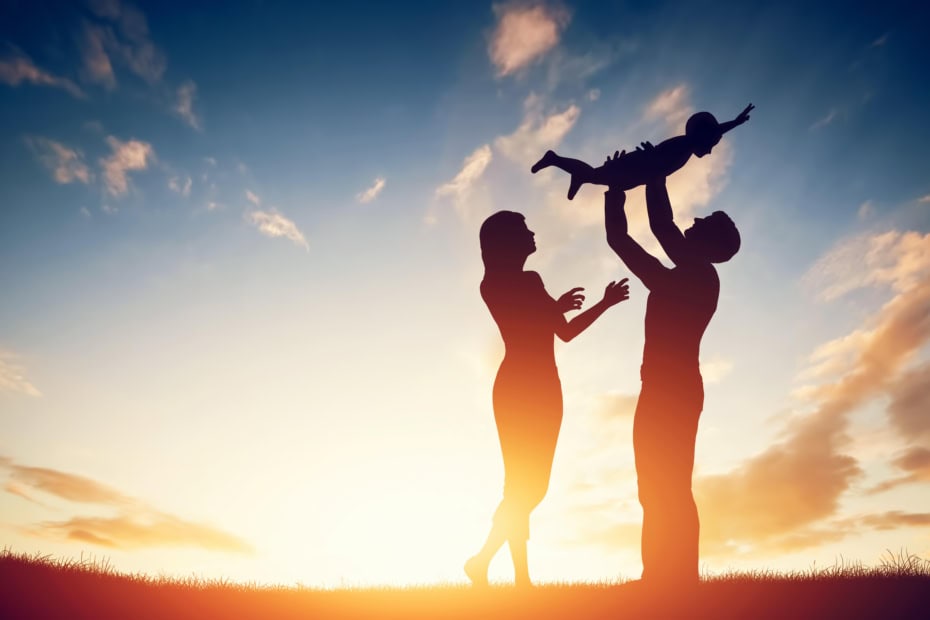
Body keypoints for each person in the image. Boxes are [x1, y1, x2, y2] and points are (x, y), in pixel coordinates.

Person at [465, 210, 630, 587]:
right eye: (524, 229)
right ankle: (513, 576)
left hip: (546, 388)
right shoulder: (492, 284)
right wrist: (556, 307)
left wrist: (604, 302)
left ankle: (486, 564)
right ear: (505, 241)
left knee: (531, 487)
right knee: (522, 486)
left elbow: (565, 332)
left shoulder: (532, 281)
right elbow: (529, 324)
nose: (532, 232)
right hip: (517, 388)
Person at [602, 157, 740, 588]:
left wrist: (655, 174)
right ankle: (660, 577)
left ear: (711, 243)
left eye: (705, 221)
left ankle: (679, 578)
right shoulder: (682, 274)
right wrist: (615, 191)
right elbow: (622, 239)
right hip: (662, 388)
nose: (694, 220)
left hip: (673, 390)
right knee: (655, 487)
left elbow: (660, 229)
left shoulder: (699, 277)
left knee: (672, 486)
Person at [532, 104, 754, 200]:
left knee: (600, 179)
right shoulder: (684, 144)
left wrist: (735, 123)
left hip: (639, 171)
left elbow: (659, 164)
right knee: (596, 176)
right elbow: (657, 157)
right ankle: (556, 160)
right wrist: (734, 123)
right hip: (637, 166)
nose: (710, 151)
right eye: (712, 144)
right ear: (704, 136)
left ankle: (574, 173)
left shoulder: (685, 147)